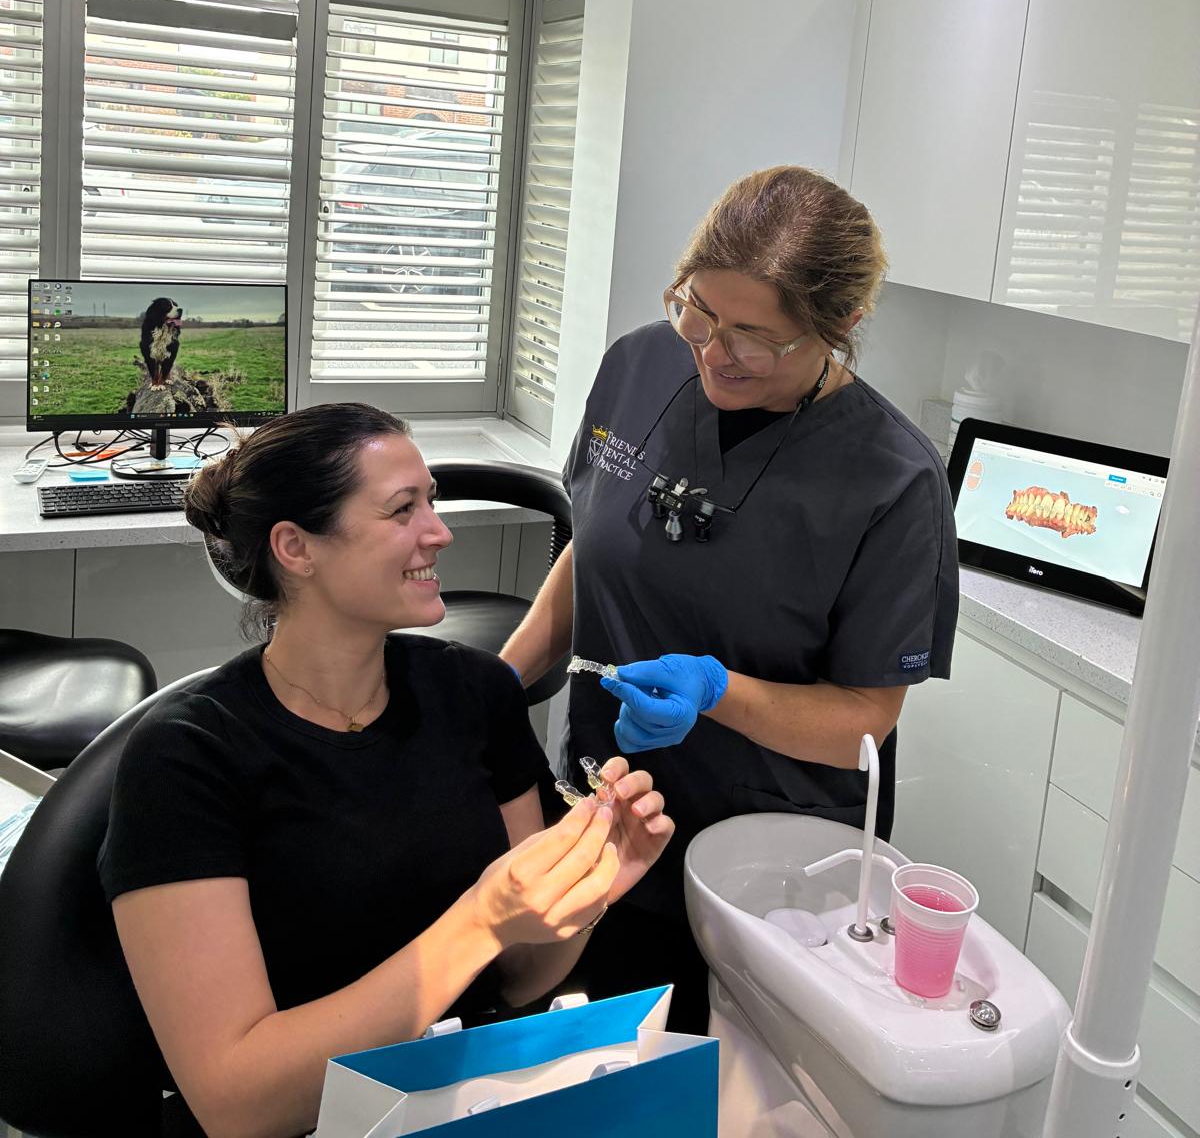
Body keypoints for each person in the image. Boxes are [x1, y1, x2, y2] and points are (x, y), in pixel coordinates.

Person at [98, 404, 673, 1138]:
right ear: (296, 548)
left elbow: (523, 975)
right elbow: (237, 1104)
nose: (440, 531)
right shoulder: (187, 758)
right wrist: (479, 919)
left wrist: (590, 890)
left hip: (466, 1094)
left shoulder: (477, 693)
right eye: (403, 509)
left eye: (431, 501)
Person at [502, 166, 958, 1030]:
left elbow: (864, 717)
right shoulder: (640, 365)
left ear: (843, 327)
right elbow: (591, 550)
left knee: (722, 1083)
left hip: (766, 864)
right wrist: (500, 681)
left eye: (756, 335)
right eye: (699, 311)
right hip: (602, 815)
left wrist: (718, 692)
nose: (714, 351)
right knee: (590, 1060)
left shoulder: (893, 481)